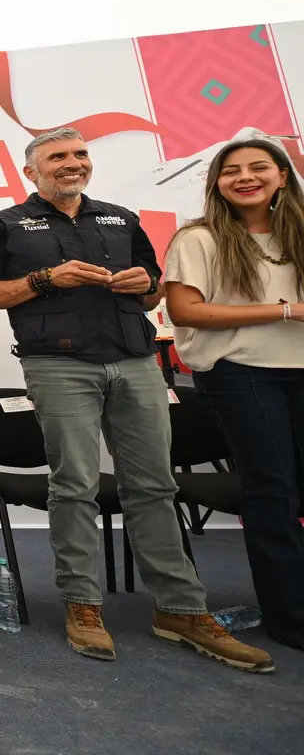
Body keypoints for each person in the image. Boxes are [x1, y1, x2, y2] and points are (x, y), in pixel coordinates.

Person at [0, 126, 272, 672]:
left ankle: (179, 608)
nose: (71, 163)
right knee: (76, 485)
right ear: (30, 171)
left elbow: (155, 287)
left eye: (79, 154)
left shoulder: (121, 217)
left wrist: (144, 285)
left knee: (155, 484)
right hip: (56, 364)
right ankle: (83, 606)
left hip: (135, 360)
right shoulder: (4, 225)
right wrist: (45, 278)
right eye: (56, 156)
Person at [163, 137, 304, 651]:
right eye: (231, 171)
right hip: (242, 373)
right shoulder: (199, 239)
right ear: (217, 183)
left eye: (259, 167)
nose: (245, 177)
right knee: (273, 491)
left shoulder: (300, 233)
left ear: (282, 176)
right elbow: (187, 312)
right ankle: (290, 618)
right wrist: (284, 310)